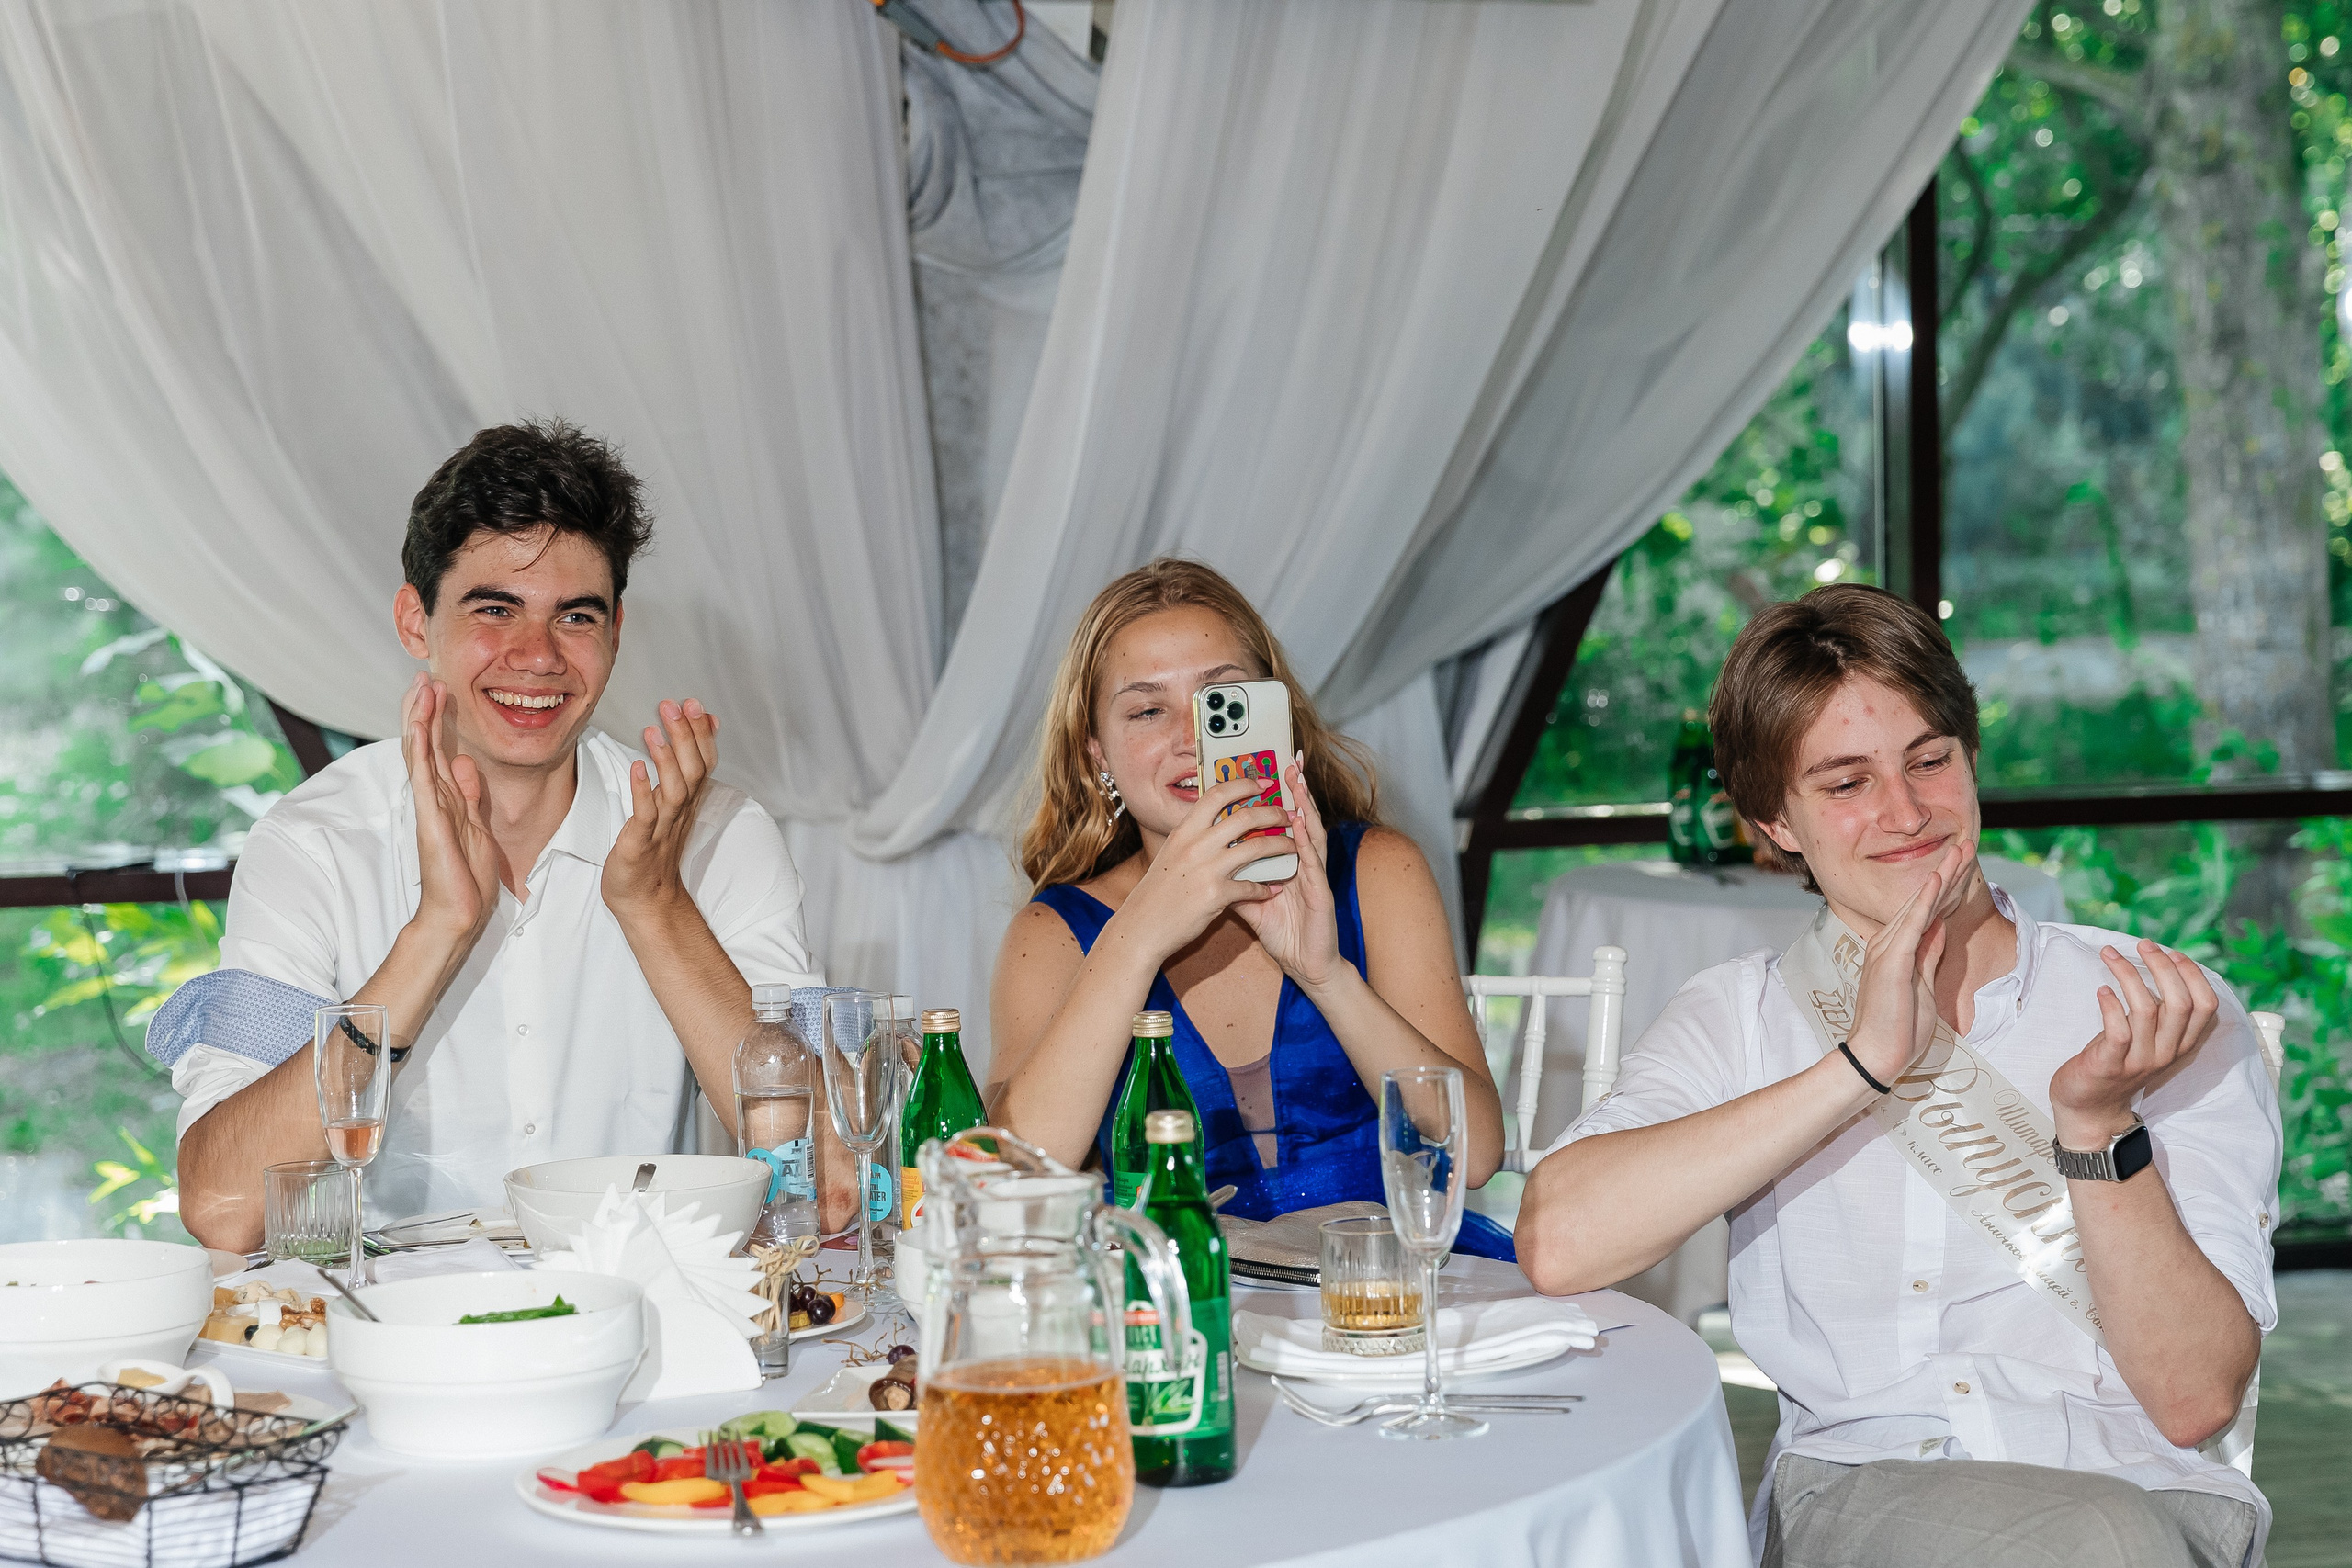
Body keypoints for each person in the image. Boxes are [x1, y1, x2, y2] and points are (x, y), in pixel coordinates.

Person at [1516, 584, 2278, 1567]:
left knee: (2106, 1536)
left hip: (2146, 1496)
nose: (1907, 813)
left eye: (1929, 760)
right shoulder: (1740, 1015)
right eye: (1845, 784)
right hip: (1863, 1495)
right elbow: (1558, 1241)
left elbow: (2193, 1399)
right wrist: (1859, 1066)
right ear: (1773, 822)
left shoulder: (2152, 1012)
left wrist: (2094, 1132)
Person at [163, 421, 822, 1251]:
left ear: (616, 633)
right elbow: (225, 1207)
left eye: (575, 616)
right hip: (393, 1340)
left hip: (650, 1324)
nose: (537, 655)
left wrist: (656, 906)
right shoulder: (316, 844)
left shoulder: (716, 834)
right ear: (416, 622)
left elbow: (828, 1183)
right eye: (495, 609)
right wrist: (435, 932)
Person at [989, 558, 1514, 1258]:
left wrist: (1328, 974)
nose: (1190, 738)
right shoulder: (1051, 933)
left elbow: (1474, 1156)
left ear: (1275, 716)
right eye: (1147, 709)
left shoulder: (1378, 871)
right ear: (1097, 758)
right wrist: (1139, 934)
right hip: (1184, 1317)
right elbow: (1016, 1183)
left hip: (1390, 1294)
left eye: (1220, 703)